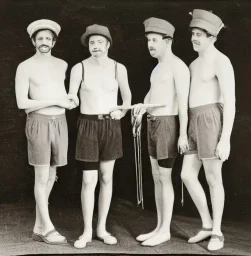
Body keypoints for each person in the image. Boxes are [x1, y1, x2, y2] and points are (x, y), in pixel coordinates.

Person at [68, 24, 132, 248]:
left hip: (110, 126)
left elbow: (126, 100)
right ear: (88, 45)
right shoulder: (79, 68)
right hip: (88, 125)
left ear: (107, 44)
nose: (95, 46)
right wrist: (71, 100)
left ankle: (101, 228)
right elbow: (71, 96)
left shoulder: (118, 68)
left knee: (106, 177)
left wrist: (121, 112)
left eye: (99, 42)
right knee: (89, 180)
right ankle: (86, 232)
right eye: (91, 42)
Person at [15, 19, 76, 245]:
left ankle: (39, 226)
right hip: (38, 123)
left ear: (53, 41)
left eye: (48, 38)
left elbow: (64, 95)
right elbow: (23, 103)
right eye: (39, 38)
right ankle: (48, 226)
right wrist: (56, 100)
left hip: (59, 122)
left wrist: (69, 100)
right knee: (41, 176)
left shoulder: (62, 64)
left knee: (51, 175)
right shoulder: (25, 66)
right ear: (33, 41)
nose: (44, 42)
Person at [181, 9, 235, 251]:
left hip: (212, 119)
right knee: (187, 175)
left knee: (214, 178)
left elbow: (230, 101)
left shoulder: (221, 60)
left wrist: (226, 139)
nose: (194, 38)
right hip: (193, 119)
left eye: (200, 34)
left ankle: (217, 232)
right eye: (193, 33)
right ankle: (206, 224)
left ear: (212, 37)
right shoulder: (192, 64)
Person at [134, 17, 190, 246]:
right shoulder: (157, 68)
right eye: (148, 40)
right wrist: (139, 110)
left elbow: (183, 103)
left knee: (164, 177)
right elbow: (151, 95)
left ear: (168, 41)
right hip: (152, 123)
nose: (150, 45)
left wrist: (184, 134)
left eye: (154, 40)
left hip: (168, 125)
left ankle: (165, 230)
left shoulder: (178, 66)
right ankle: (159, 226)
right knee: (157, 177)